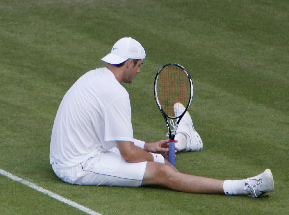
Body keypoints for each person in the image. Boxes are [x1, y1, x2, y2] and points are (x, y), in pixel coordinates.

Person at [49, 37, 274, 198]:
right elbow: (127, 154)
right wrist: (157, 160)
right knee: (164, 172)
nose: (139, 71)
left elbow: (108, 136)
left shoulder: (93, 77)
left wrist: (148, 146)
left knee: (154, 156)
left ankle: (185, 139)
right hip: (76, 167)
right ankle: (245, 187)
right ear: (129, 63)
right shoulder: (116, 93)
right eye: (139, 65)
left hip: (66, 155)